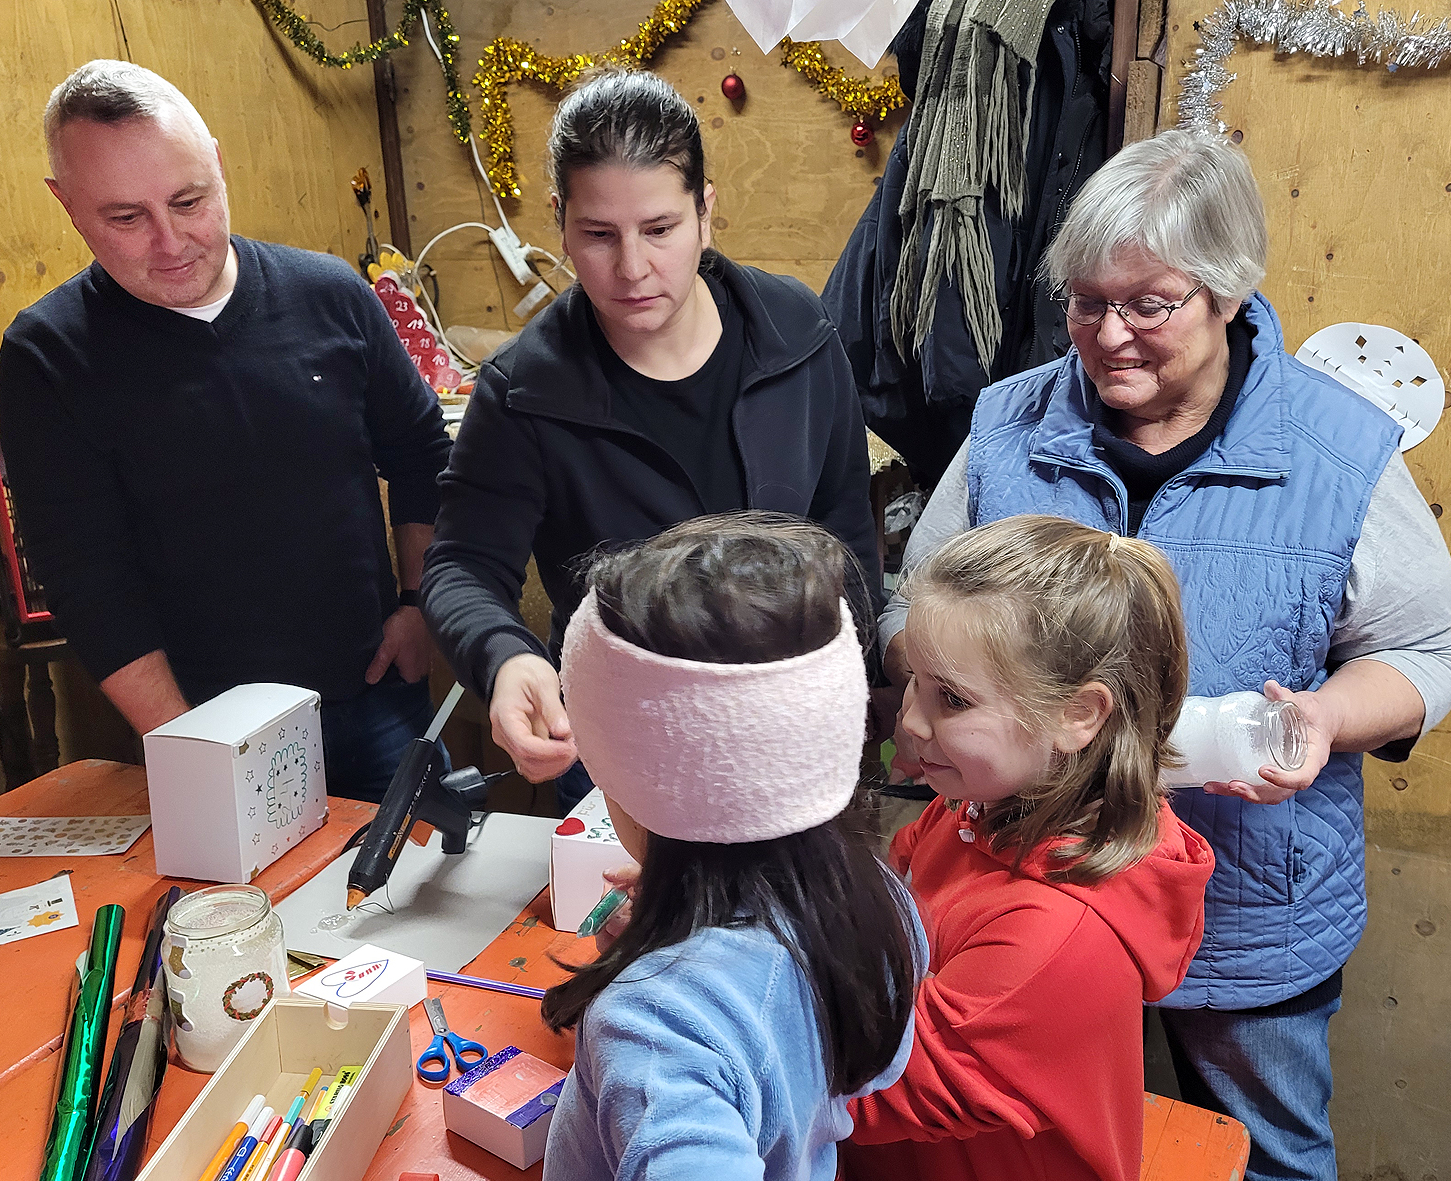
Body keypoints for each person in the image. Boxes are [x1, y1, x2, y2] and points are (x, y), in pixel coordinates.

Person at [879, 130, 1451, 1181]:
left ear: (1229, 291)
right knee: (1028, 1136)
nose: (1106, 335)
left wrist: (1325, 718)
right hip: (1030, 883)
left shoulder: (1337, 451)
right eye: (1083, 300)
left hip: (1247, 904)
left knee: (1261, 1154)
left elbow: (1421, 651)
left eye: (1147, 304)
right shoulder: (1008, 427)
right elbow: (913, 612)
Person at [421, 68, 880, 814]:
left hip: (788, 729)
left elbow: (847, 530)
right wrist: (505, 659)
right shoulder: (526, 388)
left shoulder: (798, 334)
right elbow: (462, 565)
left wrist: (846, 689)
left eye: (660, 230)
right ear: (561, 221)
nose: (632, 268)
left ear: (705, 213)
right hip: (621, 747)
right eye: (599, 235)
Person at [0, 60, 451, 800]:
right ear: (67, 204)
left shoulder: (331, 293)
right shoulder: (49, 356)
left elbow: (421, 449)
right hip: (201, 718)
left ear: (218, 164)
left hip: (372, 692)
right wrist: (186, 745)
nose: (171, 241)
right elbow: (84, 575)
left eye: (189, 200)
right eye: (125, 218)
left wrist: (416, 602)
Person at [540, 512, 922, 1180]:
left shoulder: (655, 1022)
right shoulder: (872, 898)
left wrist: (671, 985)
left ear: (633, 779)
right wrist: (682, 937)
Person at [845, 514, 1215, 1180]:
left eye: (952, 699)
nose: (908, 720)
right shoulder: (973, 810)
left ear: (1077, 714)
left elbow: (869, 1089)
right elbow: (879, 903)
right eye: (914, 683)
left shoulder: (1054, 938)